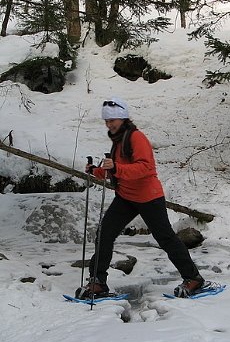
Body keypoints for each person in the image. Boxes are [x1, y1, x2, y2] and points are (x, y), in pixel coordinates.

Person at [76, 97, 205, 299]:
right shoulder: (118, 142)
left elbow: (145, 168)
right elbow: (115, 172)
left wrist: (116, 168)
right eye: (107, 121)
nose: (109, 124)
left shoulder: (136, 138)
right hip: (126, 196)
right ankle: (98, 282)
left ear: (123, 119)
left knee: (165, 238)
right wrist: (97, 171)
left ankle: (194, 278)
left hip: (148, 197)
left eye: (113, 120)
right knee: (105, 234)